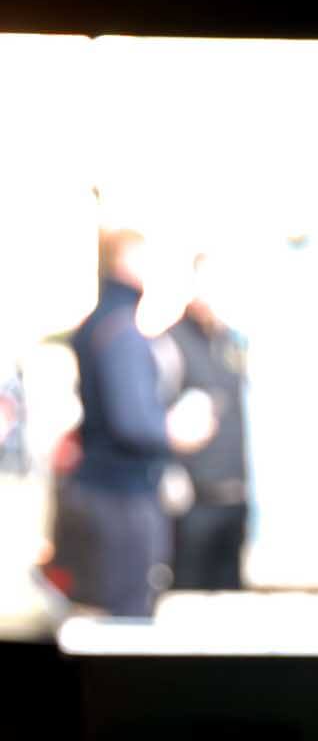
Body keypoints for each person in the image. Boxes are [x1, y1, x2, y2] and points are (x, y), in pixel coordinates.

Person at [67, 229, 215, 617]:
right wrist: (176, 432)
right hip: (123, 493)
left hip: (108, 490)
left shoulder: (103, 324)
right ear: (126, 262)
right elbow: (132, 422)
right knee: (128, 610)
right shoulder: (121, 333)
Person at [163, 254, 250, 591]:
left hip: (234, 497)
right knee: (189, 590)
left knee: (229, 593)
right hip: (193, 501)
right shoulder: (172, 343)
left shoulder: (231, 342)